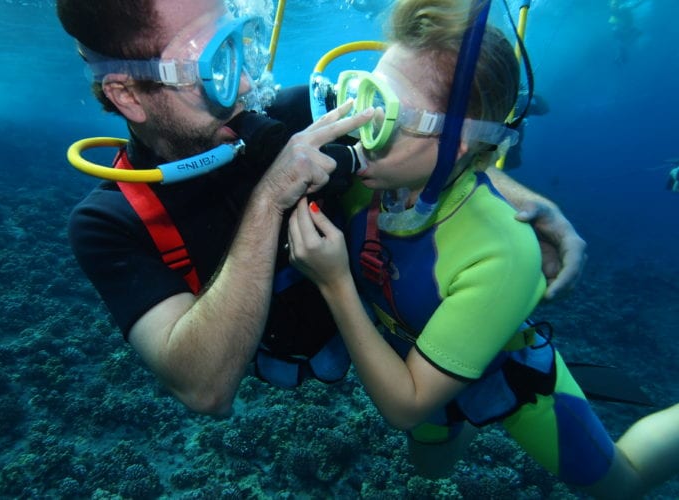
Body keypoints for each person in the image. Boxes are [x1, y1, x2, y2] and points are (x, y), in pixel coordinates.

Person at [56, 0, 587, 417]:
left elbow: (426, 140)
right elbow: (203, 389)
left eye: (240, 42)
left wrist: (529, 203)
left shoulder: (292, 113)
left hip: (384, 333)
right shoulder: (112, 221)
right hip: (295, 352)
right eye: (211, 65)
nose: (245, 84)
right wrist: (270, 198)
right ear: (127, 95)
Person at [287, 0, 679, 497]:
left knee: (619, 486)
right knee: (430, 470)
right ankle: (462, 402)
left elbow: (405, 405)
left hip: (508, 380)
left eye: (382, 113)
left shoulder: (504, 254)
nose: (355, 129)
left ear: (455, 145)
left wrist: (335, 282)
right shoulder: (371, 174)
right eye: (359, 96)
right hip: (413, 359)